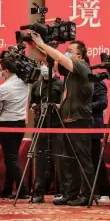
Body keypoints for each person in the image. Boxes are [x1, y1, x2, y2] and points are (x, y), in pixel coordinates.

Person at [28, 34, 95, 206]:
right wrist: (34, 46)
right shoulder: (70, 70)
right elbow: (50, 60)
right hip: (68, 120)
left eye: (70, 51)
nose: (66, 53)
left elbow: (58, 57)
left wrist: (43, 43)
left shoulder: (82, 67)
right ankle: (71, 194)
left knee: (83, 160)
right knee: (69, 159)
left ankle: (88, 195)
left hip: (80, 120)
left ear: (79, 56)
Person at [0, 59, 30, 199]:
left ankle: (23, 190)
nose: (0, 72)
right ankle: (7, 189)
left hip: (6, 123)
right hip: (21, 124)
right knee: (11, 158)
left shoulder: (3, 88)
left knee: (12, 158)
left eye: (0, 69)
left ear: (6, 71)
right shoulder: (25, 84)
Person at [30, 64, 64, 203]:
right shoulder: (36, 84)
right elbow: (32, 102)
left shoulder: (61, 84)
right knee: (39, 157)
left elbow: (64, 102)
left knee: (60, 157)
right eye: (42, 64)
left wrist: (57, 106)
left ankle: (63, 191)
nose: (44, 67)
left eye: (47, 65)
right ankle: (38, 191)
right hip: (40, 122)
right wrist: (35, 106)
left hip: (56, 123)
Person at [90, 81, 110, 203]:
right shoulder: (73, 81)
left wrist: (85, 106)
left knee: (96, 159)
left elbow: (103, 103)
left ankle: (104, 192)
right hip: (78, 125)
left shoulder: (97, 82)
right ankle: (88, 191)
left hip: (93, 126)